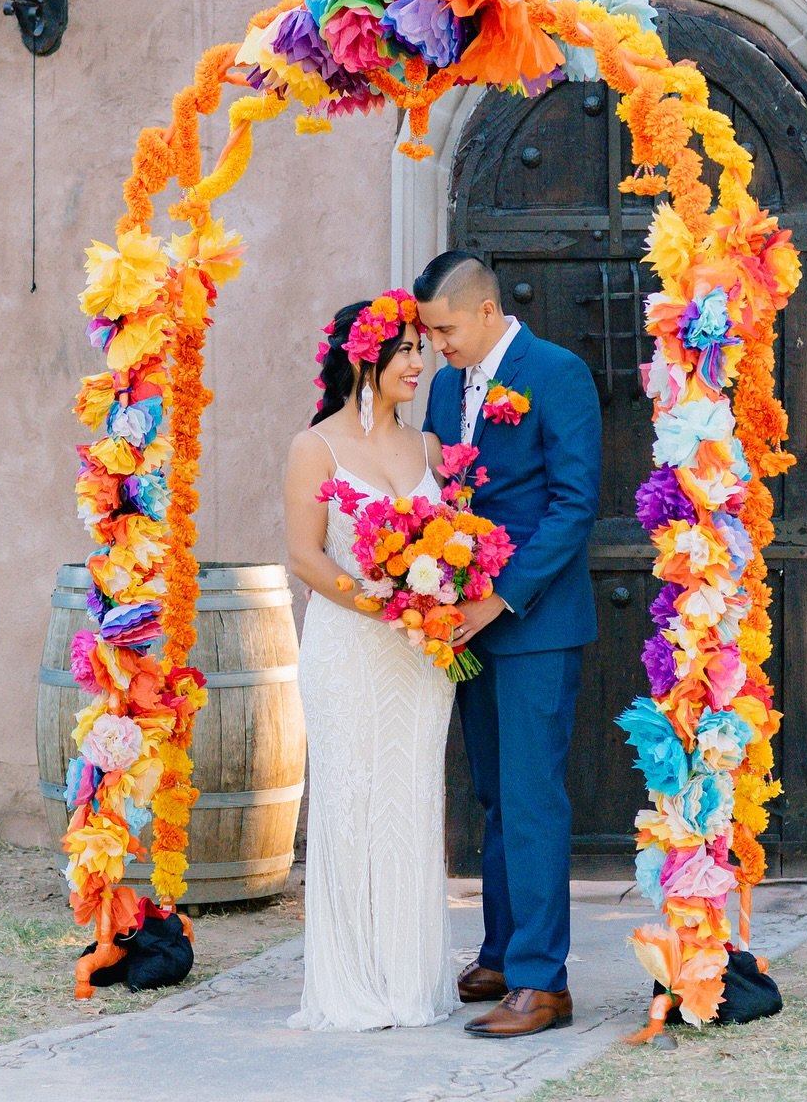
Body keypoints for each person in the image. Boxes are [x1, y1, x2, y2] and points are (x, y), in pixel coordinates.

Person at [415, 249, 601, 1039]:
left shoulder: (557, 373)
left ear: (486, 311)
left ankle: (542, 982)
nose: (437, 347)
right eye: (429, 334)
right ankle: (499, 950)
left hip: (533, 624)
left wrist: (499, 598)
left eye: (445, 330)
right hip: (466, 621)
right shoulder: (448, 384)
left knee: (530, 799)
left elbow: (574, 504)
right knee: (492, 795)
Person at [283, 293, 458, 1032]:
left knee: (410, 799)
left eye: (423, 349)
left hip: (420, 657)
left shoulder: (427, 449)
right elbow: (304, 556)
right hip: (348, 645)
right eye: (407, 351)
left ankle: (409, 979)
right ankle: (350, 981)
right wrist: (379, 604)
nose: (420, 364)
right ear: (366, 359)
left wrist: (435, 597)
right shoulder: (313, 448)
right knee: (351, 799)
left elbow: (455, 539)